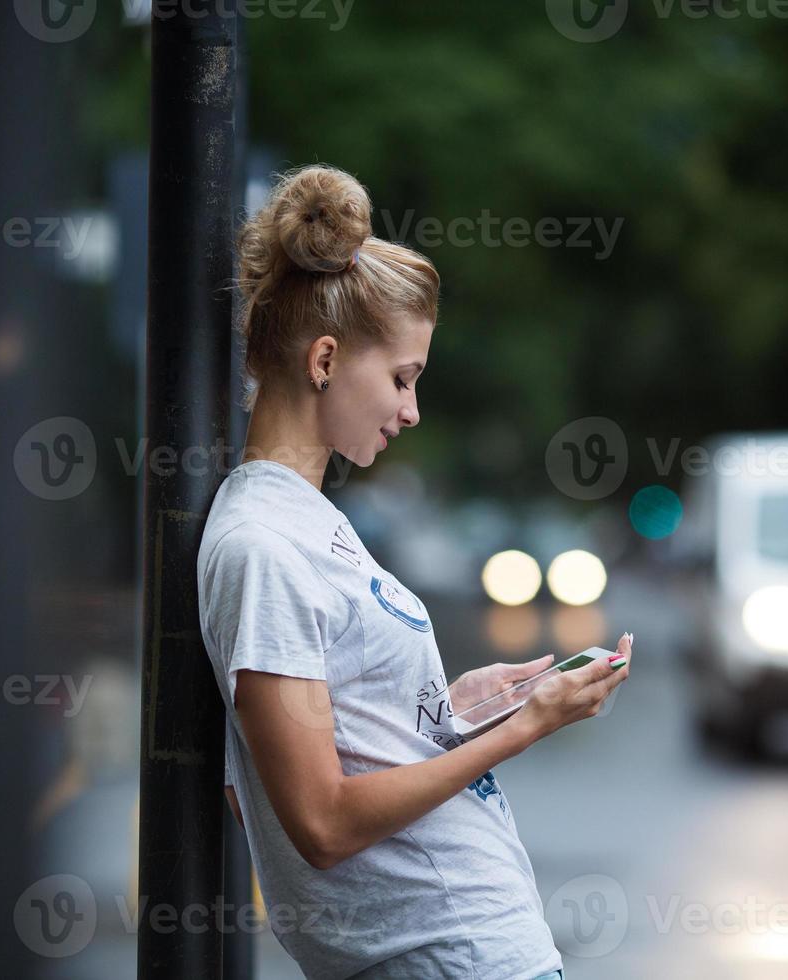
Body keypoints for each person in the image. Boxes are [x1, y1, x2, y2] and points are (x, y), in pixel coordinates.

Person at [196, 164, 630, 979]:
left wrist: (452, 706)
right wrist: (524, 726)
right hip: (443, 954)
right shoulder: (264, 545)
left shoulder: (307, 521)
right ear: (325, 359)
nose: (411, 408)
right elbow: (318, 820)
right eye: (402, 377)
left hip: (469, 945)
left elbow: (335, 732)